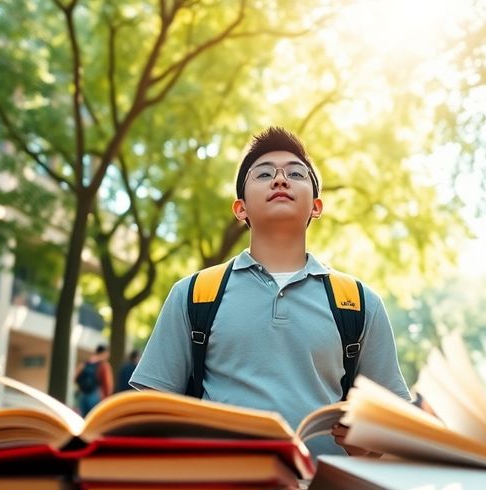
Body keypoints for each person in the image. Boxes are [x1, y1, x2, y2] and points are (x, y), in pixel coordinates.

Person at [129, 126, 410, 457]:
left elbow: (396, 428)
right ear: (240, 209)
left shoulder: (360, 304)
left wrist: (369, 442)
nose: (280, 180)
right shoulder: (193, 295)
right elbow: (146, 418)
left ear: (316, 207)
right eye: (263, 174)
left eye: (295, 174)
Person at [75, 345, 113, 416]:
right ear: (105, 353)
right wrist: (107, 397)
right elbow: (107, 384)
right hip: (95, 395)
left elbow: (76, 377)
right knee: (94, 417)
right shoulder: (104, 365)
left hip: (83, 394)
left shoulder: (86, 363)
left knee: (84, 418)